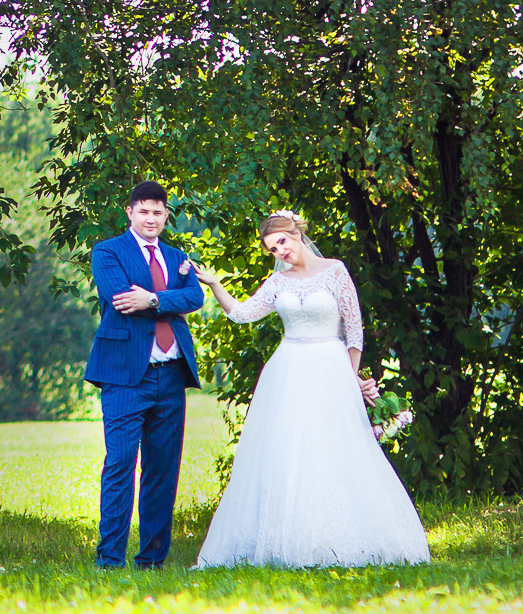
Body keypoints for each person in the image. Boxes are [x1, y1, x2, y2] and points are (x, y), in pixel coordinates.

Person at [189, 210, 431, 568]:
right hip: (287, 371)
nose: (280, 252)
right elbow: (242, 313)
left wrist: (350, 378)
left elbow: (354, 330)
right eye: (273, 249)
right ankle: (288, 538)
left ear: (297, 234)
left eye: (282, 242)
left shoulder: (335, 271)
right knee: (288, 449)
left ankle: (340, 537)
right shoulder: (278, 282)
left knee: (334, 446)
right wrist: (214, 284)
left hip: (330, 367)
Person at [84, 180, 206, 569]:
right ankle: (109, 560)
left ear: (166, 215)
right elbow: (121, 298)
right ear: (130, 212)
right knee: (120, 463)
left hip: (171, 375)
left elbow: (196, 297)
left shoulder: (177, 256)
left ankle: (152, 561)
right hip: (124, 375)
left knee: (162, 470)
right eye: (143, 211)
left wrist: (151, 298)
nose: (150, 218)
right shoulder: (108, 251)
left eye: (157, 212)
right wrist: (168, 302)